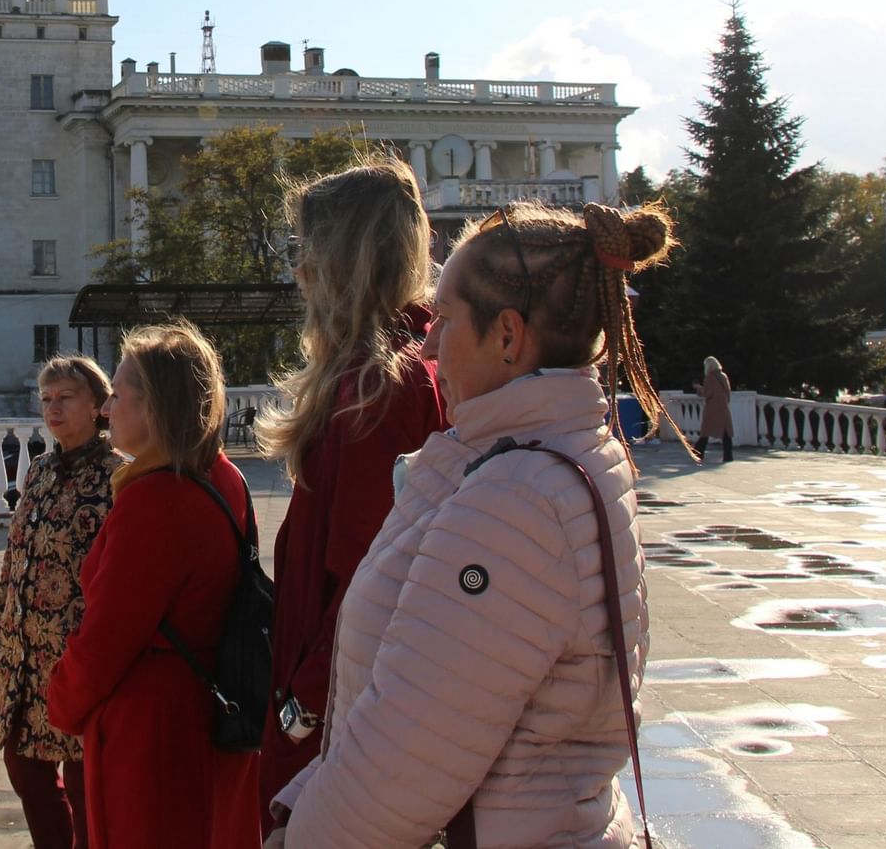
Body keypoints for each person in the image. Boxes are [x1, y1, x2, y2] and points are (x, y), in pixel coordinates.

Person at [268, 201, 676, 848]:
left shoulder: (516, 502)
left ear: (508, 336)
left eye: (448, 320)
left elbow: (404, 760)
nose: (428, 342)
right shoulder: (549, 455)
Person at [255, 156, 448, 825]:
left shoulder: (375, 389)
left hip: (338, 721)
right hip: (341, 705)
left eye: (308, 249)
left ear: (343, 260)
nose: (297, 268)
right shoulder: (398, 366)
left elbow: (374, 577)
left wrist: (297, 713)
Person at [48, 321, 263, 849]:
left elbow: (105, 642)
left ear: (155, 408)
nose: (105, 408)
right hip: (213, 713)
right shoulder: (222, 477)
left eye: (118, 395)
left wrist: (61, 702)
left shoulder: (154, 501)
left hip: (153, 736)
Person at [0, 354, 125, 849]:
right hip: (23, 656)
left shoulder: (117, 476)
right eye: (46, 399)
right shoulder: (40, 470)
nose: (53, 408)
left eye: (66, 397)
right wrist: (2, 616)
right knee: (23, 766)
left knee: (87, 779)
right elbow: (17, 551)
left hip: (77, 655)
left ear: (98, 405)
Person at [695, 355, 734, 463]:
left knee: (705, 432)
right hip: (723, 407)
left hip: (712, 408)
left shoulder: (710, 377)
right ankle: (728, 456)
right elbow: (728, 392)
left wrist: (698, 388)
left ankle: (698, 453)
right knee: (726, 433)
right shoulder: (723, 376)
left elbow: (708, 393)